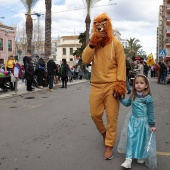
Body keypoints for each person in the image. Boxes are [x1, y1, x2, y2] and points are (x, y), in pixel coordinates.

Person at [82, 13, 126, 160]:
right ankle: (104, 133)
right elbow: (85, 60)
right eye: (97, 25)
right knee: (94, 114)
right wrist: (92, 44)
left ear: (108, 26)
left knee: (112, 117)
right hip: (96, 84)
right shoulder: (93, 44)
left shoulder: (116, 44)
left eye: (103, 24)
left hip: (112, 85)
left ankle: (109, 145)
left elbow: (121, 66)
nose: (100, 28)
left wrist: (120, 84)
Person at [117, 74, 157, 169]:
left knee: (142, 140)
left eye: (141, 83)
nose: (139, 85)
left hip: (144, 123)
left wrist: (152, 125)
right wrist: (120, 98)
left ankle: (141, 156)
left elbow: (151, 112)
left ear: (146, 85)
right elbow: (127, 104)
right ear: (134, 85)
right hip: (133, 121)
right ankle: (128, 159)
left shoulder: (148, 99)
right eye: (136, 83)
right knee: (131, 139)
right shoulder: (133, 96)